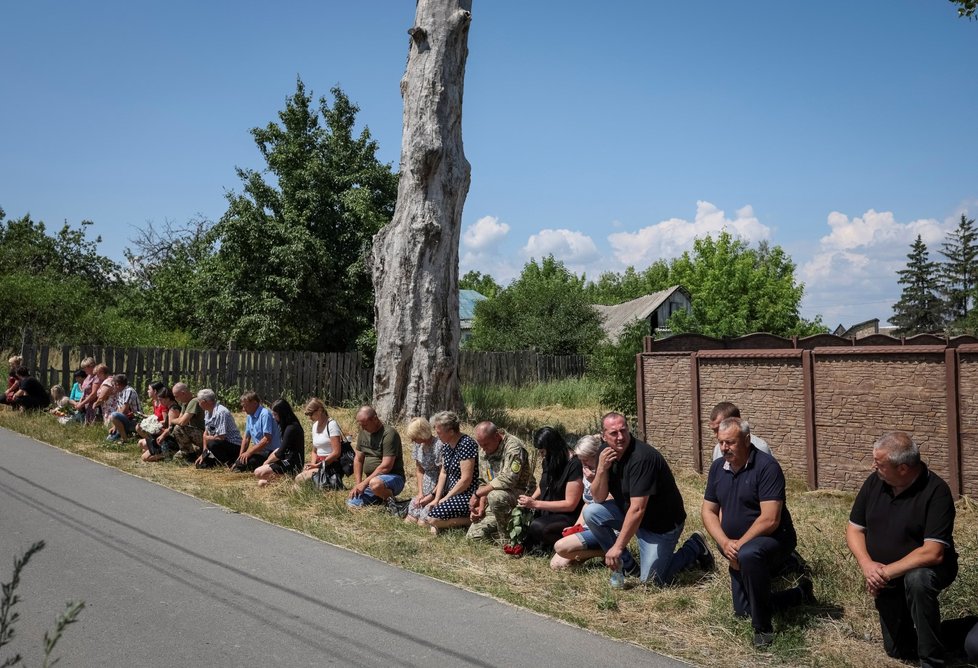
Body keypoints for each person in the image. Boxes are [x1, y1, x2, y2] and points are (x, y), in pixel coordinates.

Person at [846, 431, 958, 667]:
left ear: (903, 468)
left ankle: (932, 661)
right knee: (899, 650)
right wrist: (868, 566)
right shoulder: (875, 482)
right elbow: (854, 529)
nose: (873, 466)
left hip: (926, 570)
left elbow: (933, 552)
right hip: (885, 577)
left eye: (879, 464)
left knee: (918, 579)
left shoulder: (936, 492)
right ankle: (944, 632)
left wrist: (884, 573)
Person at [701, 417, 812, 648]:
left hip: (773, 539)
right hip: (734, 547)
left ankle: (763, 630)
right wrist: (724, 544)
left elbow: (770, 519)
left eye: (730, 443)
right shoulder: (717, 468)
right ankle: (799, 594)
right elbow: (708, 511)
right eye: (721, 442)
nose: (724, 448)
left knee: (750, 555)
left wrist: (738, 545)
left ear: (747, 440)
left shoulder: (767, 467)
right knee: (743, 611)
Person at [584, 412, 712, 586]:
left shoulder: (641, 458)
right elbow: (598, 498)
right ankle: (627, 566)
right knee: (592, 512)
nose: (620, 437)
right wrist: (601, 470)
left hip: (660, 526)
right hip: (633, 516)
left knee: (651, 582)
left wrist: (618, 547)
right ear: (603, 435)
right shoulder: (604, 453)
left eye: (624, 431)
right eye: (614, 433)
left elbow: (638, 509)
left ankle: (694, 547)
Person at [467, 421, 536, 541]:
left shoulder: (514, 447)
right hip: (497, 499)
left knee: (496, 497)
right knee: (473, 537)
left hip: (520, 495)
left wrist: (477, 494)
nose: (483, 449)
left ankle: (508, 540)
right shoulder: (484, 449)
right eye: (480, 445)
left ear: (496, 436)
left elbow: (508, 479)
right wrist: (481, 507)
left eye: (486, 444)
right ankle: (505, 529)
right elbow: (484, 482)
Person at [518, 427, 584, 552]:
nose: (541, 456)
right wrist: (532, 499)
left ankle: (565, 545)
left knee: (538, 527)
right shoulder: (550, 460)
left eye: (543, 452)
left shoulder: (574, 465)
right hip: (547, 510)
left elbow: (570, 504)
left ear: (552, 449)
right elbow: (543, 485)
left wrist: (536, 504)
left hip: (566, 515)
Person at [551, 434, 607, 569]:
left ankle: (609, 550)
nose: (584, 464)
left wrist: (595, 480)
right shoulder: (587, 471)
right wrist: (576, 528)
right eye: (581, 460)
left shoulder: (607, 471)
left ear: (597, 456)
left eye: (586, 460)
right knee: (557, 565)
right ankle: (598, 552)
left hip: (605, 526)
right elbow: (587, 502)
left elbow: (607, 500)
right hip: (588, 525)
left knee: (560, 547)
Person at [425, 411, 478, 534]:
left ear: (451, 432)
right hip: (450, 492)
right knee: (424, 516)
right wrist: (437, 498)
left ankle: (469, 521)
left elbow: (466, 480)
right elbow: (443, 473)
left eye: (439, 433)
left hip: (466, 494)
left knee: (432, 519)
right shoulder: (446, 445)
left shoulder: (467, 444)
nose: (437, 436)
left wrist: (446, 498)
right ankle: (441, 524)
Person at [346, 405, 405, 509]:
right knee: (352, 503)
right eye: (361, 425)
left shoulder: (389, 434)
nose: (363, 428)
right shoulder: (363, 433)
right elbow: (358, 459)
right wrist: (358, 484)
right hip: (370, 481)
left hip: (392, 478)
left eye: (365, 425)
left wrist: (365, 483)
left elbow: (386, 466)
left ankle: (392, 504)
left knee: (376, 484)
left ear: (375, 419)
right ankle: (379, 497)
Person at [294, 398, 345, 489]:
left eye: (311, 414)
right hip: (318, 463)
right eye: (307, 414)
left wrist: (319, 465)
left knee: (299, 479)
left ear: (320, 410)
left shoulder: (332, 425)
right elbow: (314, 450)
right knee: (298, 482)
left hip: (330, 465)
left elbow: (336, 452)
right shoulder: (314, 426)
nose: (309, 417)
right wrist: (312, 465)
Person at [255, 399, 305, 486]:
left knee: (259, 472)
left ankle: (288, 478)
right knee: (260, 476)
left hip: (293, 463)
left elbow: (280, 453)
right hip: (286, 459)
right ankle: (284, 480)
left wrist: (266, 463)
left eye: (275, 414)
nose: (273, 417)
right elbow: (279, 449)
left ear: (282, 414)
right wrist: (268, 462)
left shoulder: (291, 428)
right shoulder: (286, 426)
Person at [403, 417, 443, 525]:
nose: (413, 440)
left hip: (438, 488)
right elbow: (419, 470)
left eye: (415, 437)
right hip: (425, 486)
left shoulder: (439, 445)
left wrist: (431, 496)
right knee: (410, 518)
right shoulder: (418, 445)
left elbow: (443, 474)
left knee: (422, 523)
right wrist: (420, 493)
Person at [233, 391, 280, 472]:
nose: (243, 409)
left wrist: (249, 452)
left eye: (245, 406)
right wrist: (240, 457)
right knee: (240, 463)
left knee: (245, 464)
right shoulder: (249, 416)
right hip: (260, 452)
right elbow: (247, 438)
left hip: (271, 452)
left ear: (254, 403)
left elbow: (267, 439)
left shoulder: (265, 414)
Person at [195, 389, 243, 468]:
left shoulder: (221, 412)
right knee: (201, 465)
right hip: (219, 445)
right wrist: (204, 453)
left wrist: (207, 438)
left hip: (233, 445)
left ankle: (229, 463)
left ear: (204, 401)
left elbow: (221, 437)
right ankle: (218, 461)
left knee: (212, 443)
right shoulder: (207, 411)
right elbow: (205, 433)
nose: (199, 404)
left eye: (199, 401)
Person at [141, 387, 181, 462]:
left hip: (172, 440)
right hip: (166, 437)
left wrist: (161, 433)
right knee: (143, 451)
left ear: (168, 399)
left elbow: (171, 428)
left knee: (145, 458)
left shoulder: (173, 410)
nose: (160, 402)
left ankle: (168, 454)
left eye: (161, 400)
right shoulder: (170, 408)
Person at [170, 382, 205, 461]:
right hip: (198, 434)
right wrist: (176, 421)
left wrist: (172, 420)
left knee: (178, 428)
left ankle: (190, 454)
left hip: (204, 435)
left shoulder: (194, 401)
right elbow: (180, 419)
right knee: (176, 458)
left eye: (176, 396)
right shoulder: (185, 403)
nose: (176, 399)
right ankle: (191, 452)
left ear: (183, 393)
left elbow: (182, 422)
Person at [105, 374, 141, 442]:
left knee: (114, 415)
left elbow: (124, 410)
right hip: (126, 419)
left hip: (134, 419)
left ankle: (124, 439)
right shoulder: (120, 393)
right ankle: (124, 434)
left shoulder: (129, 391)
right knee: (109, 440)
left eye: (114, 385)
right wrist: (114, 426)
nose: (113, 387)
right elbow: (119, 409)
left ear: (118, 384)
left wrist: (115, 423)